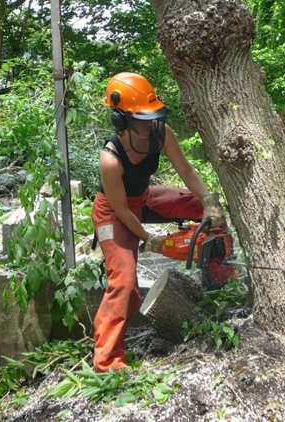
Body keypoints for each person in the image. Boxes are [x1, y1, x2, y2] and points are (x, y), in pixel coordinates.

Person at [91, 72, 226, 372]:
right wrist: (151, 241)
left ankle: (221, 276)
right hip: (113, 212)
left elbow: (187, 172)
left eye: (152, 118)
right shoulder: (110, 160)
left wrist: (208, 201)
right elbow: (123, 212)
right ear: (121, 122)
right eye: (142, 121)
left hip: (144, 197)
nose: (150, 127)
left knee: (199, 206)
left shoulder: (161, 133)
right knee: (125, 283)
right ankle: (107, 360)